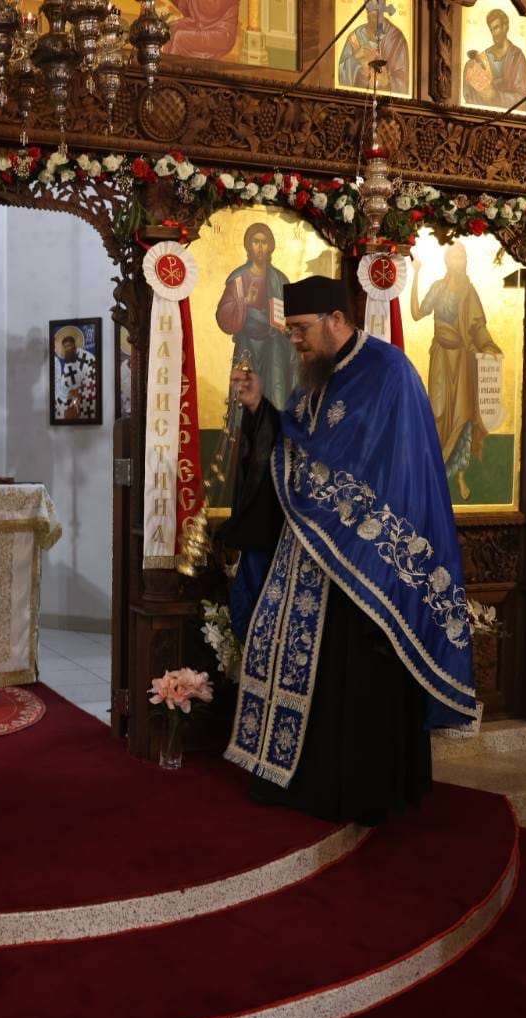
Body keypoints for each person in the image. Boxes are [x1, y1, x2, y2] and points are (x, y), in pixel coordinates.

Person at [219, 276, 478, 824]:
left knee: (353, 679)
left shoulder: (388, 372)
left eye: (301, 329)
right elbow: (296, 442)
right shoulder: (316, 376)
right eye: (290, 331)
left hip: (365, 564)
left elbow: (386, 467)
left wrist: (335, 504)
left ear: (337, 319)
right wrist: (261, 409)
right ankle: (293, 778)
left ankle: (350, 792)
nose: (295, 340)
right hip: (310, 553)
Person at [408, 241, 502, 501]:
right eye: (453, 257)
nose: (457, 261)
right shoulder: (438, 288)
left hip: (462, 360)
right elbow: (417, 313)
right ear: (446, 261)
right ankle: (432, 471)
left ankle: (460, 476)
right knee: (437, 411)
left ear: (465, 261)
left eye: (461, 257)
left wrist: (488, 346)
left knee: (463, 416)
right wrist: (416, 274)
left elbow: (478, 326)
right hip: (441, 357)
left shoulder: (469, 292)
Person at [215, 222, 294, 411]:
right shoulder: (238, 278)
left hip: (273, 343)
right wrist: (243, 302)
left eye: (264, 242)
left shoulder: (280, 279)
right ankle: (242, 430)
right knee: (244, 398)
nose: (260, 247)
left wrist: (286, 325)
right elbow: (223, 314)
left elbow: (291, 315)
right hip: (247, 342)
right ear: (248, 246)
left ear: (270, 246)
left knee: (276, 392)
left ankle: (274, 428)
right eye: (255, 242)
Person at [462, 9, 526, 109]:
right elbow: (469, 94)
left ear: (505, 27)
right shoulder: (485, 56)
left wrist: (497, 97)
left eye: (496, 28)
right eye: (491, 30)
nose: (494, 33)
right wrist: (469, 69)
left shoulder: (517, 57)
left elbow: (523, 99)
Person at [337, 16, 410, 94]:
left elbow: (403, 84)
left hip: (385, 99)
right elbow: (342, 77)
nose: (374, 13)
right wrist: (355, 58)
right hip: (357, 97)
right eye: (370, 10)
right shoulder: (356, 37)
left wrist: (387, 82)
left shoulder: (395, 38)